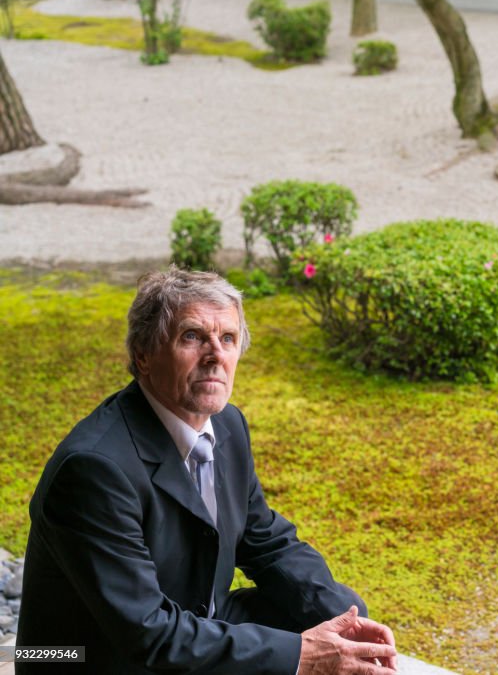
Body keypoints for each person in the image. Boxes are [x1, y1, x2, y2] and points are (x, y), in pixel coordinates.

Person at [16, 268, 398, 674]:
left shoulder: (227, 425)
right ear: (143, 355)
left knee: (329, 615)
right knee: (299, 653)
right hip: (100, 656)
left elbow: (266, 542)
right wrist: (302, 656)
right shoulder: (94, 470)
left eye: (228, 339)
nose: (216, 354)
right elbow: (148, 633)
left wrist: (345, 618)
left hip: (196, 621)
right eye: (193, 336)